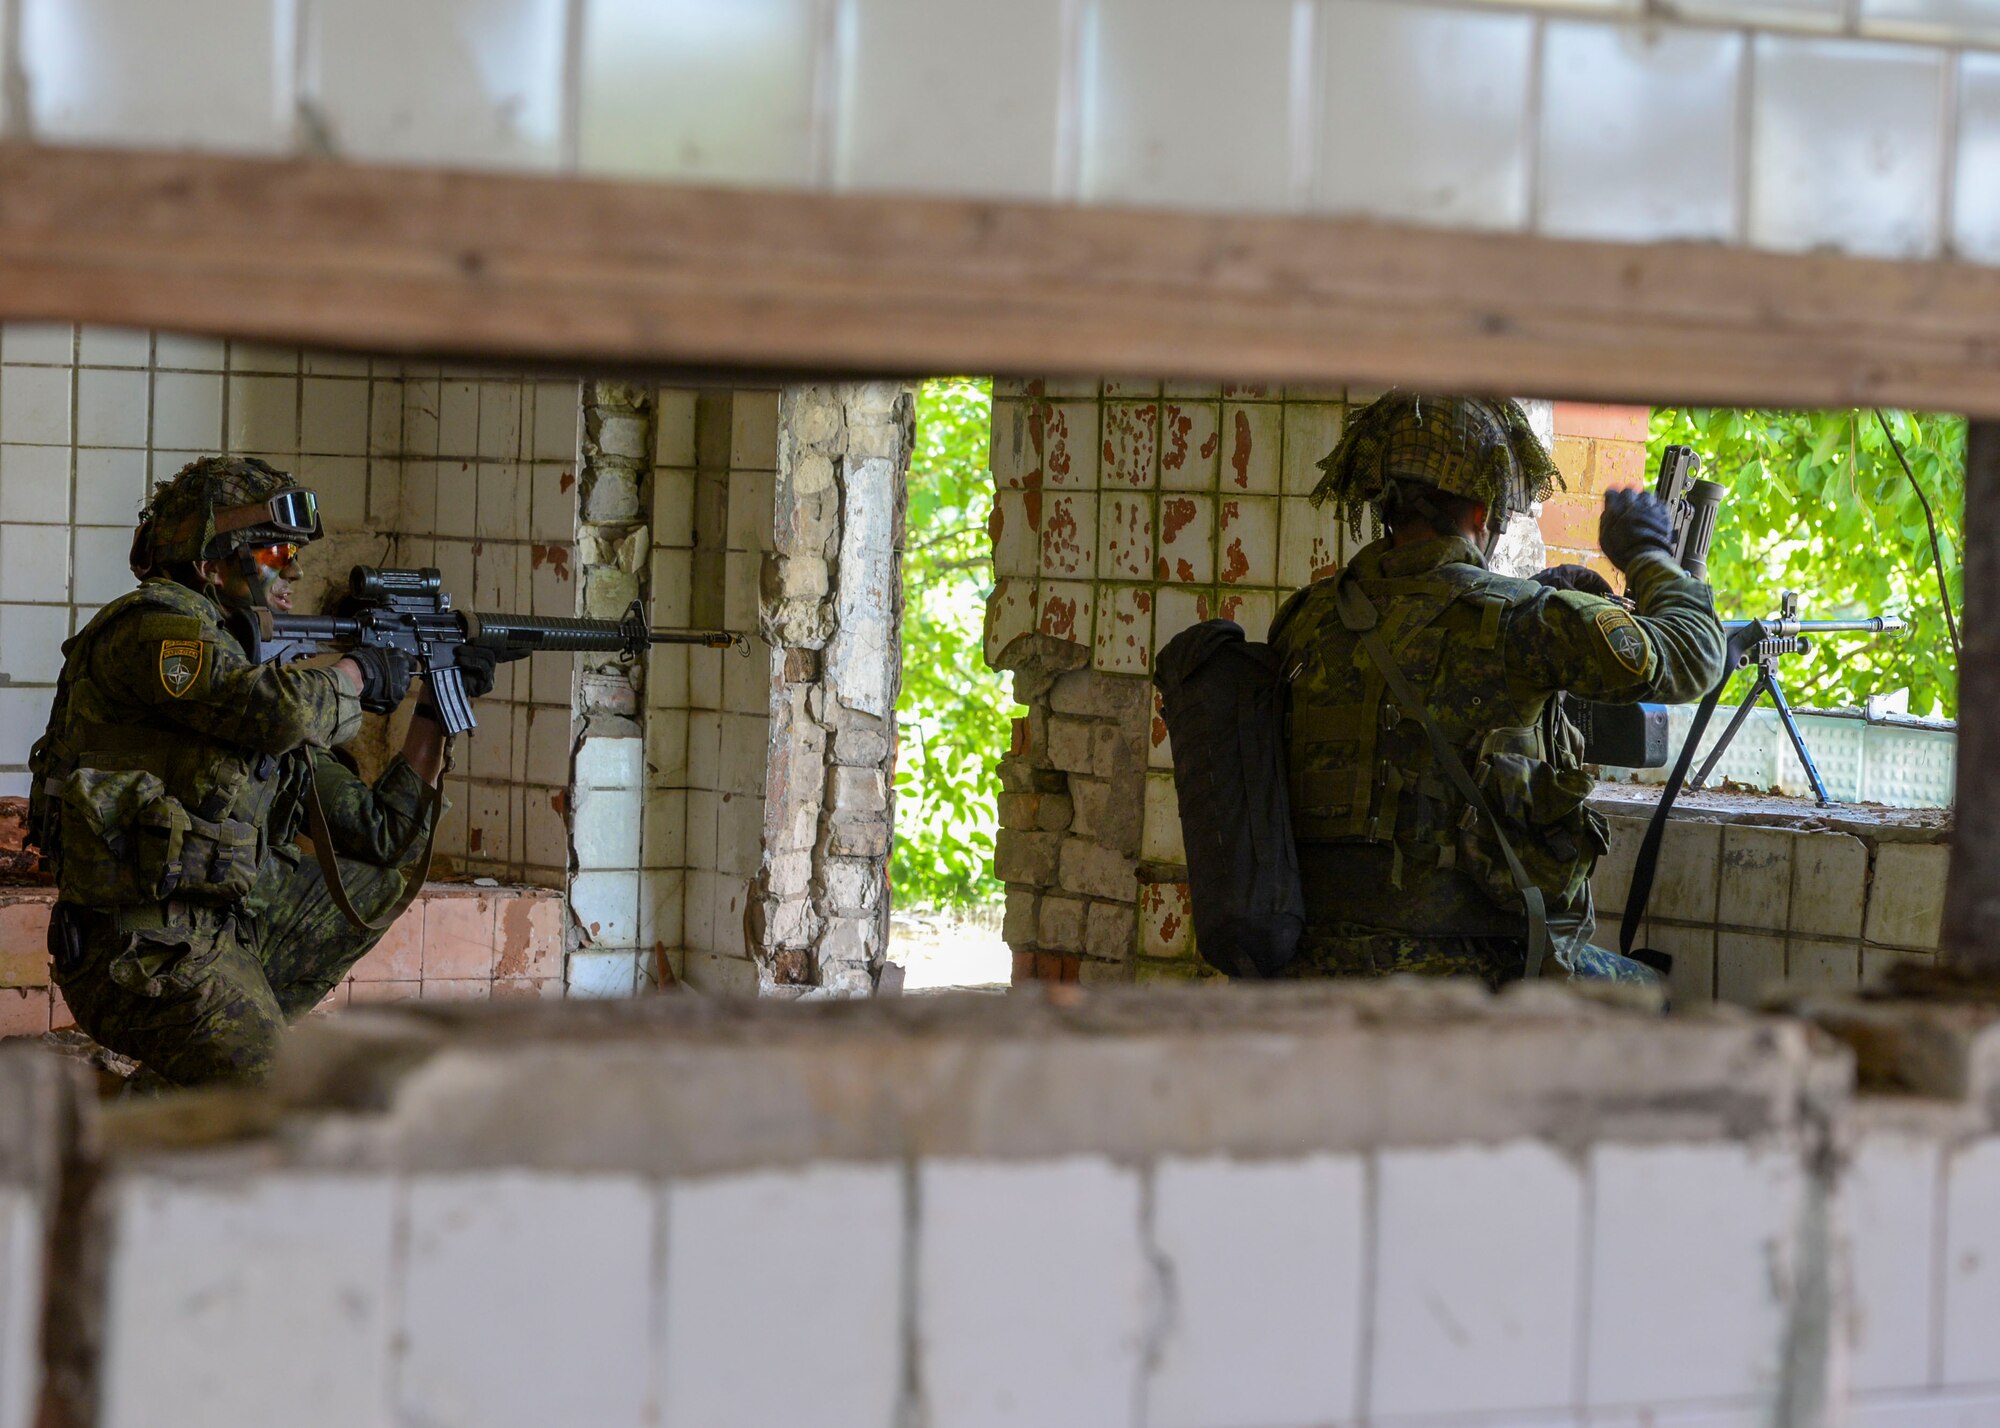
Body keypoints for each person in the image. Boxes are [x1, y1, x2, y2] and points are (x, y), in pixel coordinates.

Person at [27, 457, 494, 1087]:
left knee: (374, 879)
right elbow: (278, 712)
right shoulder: (153, 630)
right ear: (210, 564)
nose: (293, 569)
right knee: (283, 1100)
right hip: (138, 953)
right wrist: (356, 672)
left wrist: (436, 708)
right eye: (274, 551)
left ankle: (178, 1091)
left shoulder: (246, 672)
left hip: (217, 933)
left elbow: (381, 836)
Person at [1268, 394, 1726, 986]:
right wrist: (1648, 554)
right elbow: (1694, 655)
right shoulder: (1524, 622)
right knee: (1647, 994)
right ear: (1483, 512)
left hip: (1310, 964)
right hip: (1468, 967)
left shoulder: (1305, 617)